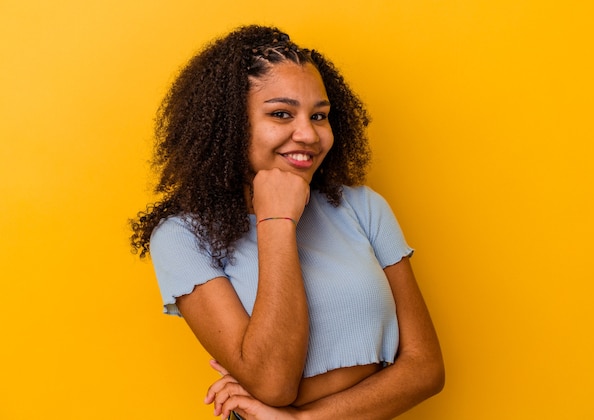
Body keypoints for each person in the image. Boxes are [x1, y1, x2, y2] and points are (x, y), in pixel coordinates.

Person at [131, 24, 444, 419]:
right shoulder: (183, 236)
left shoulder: (363, 208)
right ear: (228, 125)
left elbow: (425, 368)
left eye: (319, 116)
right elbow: (273, 381)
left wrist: (301, 419)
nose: (308, 134)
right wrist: (277, 219)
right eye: (281, 114)